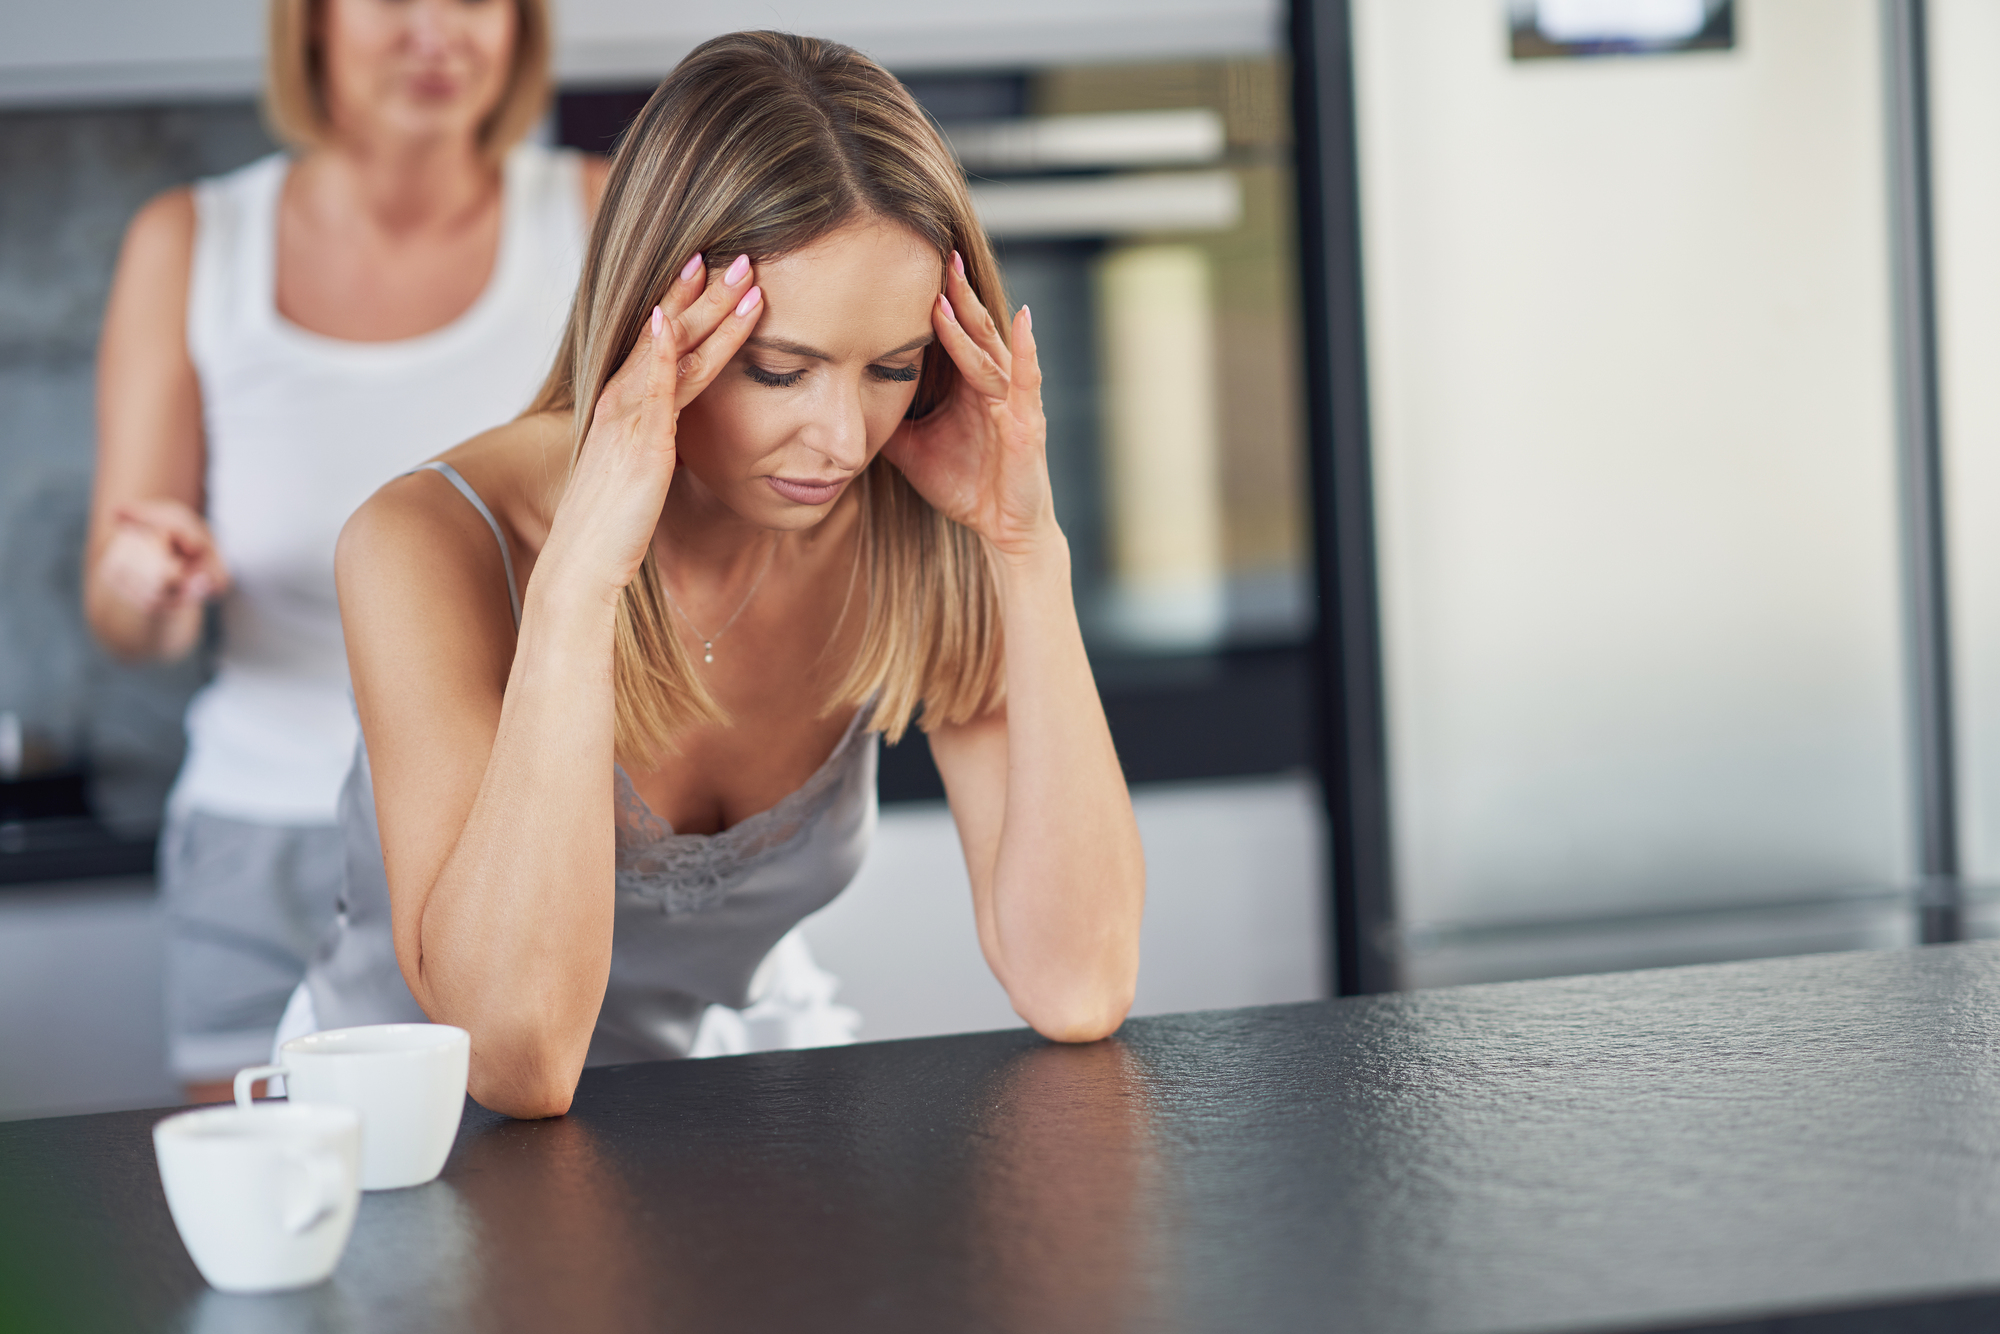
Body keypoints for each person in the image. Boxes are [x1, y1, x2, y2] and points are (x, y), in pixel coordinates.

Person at [303, 30, 1147, 1119]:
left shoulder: (913, 521)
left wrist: (1030, 558)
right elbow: (514, 1058)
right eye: (779, 369)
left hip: (723, 1119)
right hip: (409, 1142)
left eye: (892, 367)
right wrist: (574, 589)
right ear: (663, 324)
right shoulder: (426, 541)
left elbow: (1076, 983)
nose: (841, 438)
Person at [84, 0, 607, 1102]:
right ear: (311, 22)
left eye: (474, 1)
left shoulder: (599, 218)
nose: (436, 32)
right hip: (263, 840)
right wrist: (153, 581)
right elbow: (124, 610)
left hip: (522, 837)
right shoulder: (191, 243)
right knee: (277, 1236)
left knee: (537, 1230)